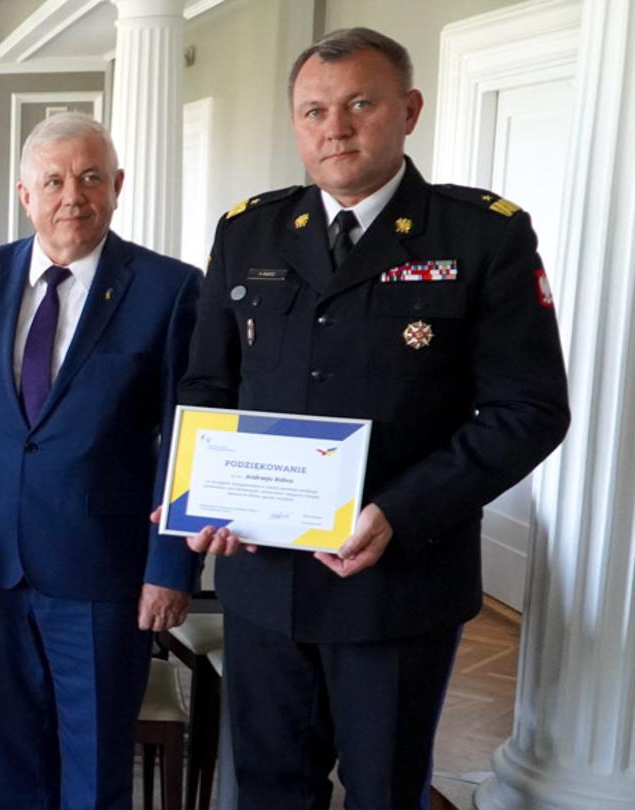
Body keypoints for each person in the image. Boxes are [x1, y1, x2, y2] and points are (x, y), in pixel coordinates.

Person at [180, 28, 569, 809]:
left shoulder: (481, 234)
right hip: (265, 576)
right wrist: (204, 494)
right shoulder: (249, 229)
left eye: (360, 103)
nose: (336, 128)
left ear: (409, 110)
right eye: (314, 111)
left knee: (385, 790)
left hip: (398, 582)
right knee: (266, 789)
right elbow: (208, 383)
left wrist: (400, 511)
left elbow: (530, 410)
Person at [0, 112, 201, 810]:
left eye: (90, 178)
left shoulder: (169, 289)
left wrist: (170, 566)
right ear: (26, 194)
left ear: (117, 187)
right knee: (19, 754)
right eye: (52, 181)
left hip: (102, 571)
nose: (71, 197)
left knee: (93, 764)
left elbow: (187, 435)